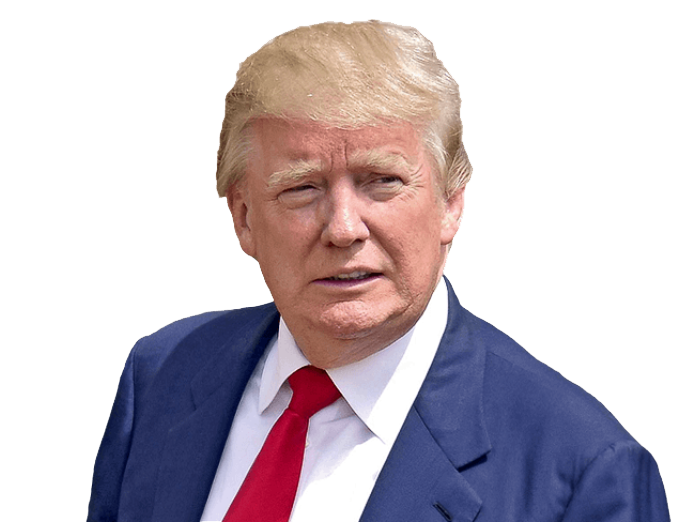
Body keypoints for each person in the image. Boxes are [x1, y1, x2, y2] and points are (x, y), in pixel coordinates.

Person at [87, 20, 669, 522]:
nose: (343, 228)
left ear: (450, 203)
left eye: (382, 182)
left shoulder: (584, 473)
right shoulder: (162, 374)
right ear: (243, 218)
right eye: (302, 187)